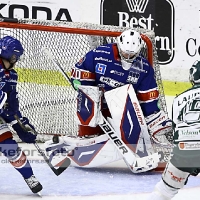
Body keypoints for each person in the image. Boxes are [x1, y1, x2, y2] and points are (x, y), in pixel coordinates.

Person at [45, 29, 172, 172]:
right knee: (89, 136)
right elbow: (79, 71)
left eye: (132, 54)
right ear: (119, 45)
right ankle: (62, 144)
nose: (128, 56)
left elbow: (147, 97)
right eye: (125, 52)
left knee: (133, 132)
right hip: (95, 104)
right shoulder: (100, 54)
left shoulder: (144, 68)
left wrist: (151, 118)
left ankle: (137, 152)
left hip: (120, 109)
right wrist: (88, 91)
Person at [146, 60, 200, 199]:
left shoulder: (178, 99)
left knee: (163, 192)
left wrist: (186, 161)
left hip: (184, 152)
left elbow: (177, 133)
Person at [0, 36, 42, 194]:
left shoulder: (11, 76)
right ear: (12, 56)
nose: (17, 60)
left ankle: (29, 176)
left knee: (9, 146)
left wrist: (20, 126)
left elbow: (11, 107)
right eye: (17, 57)